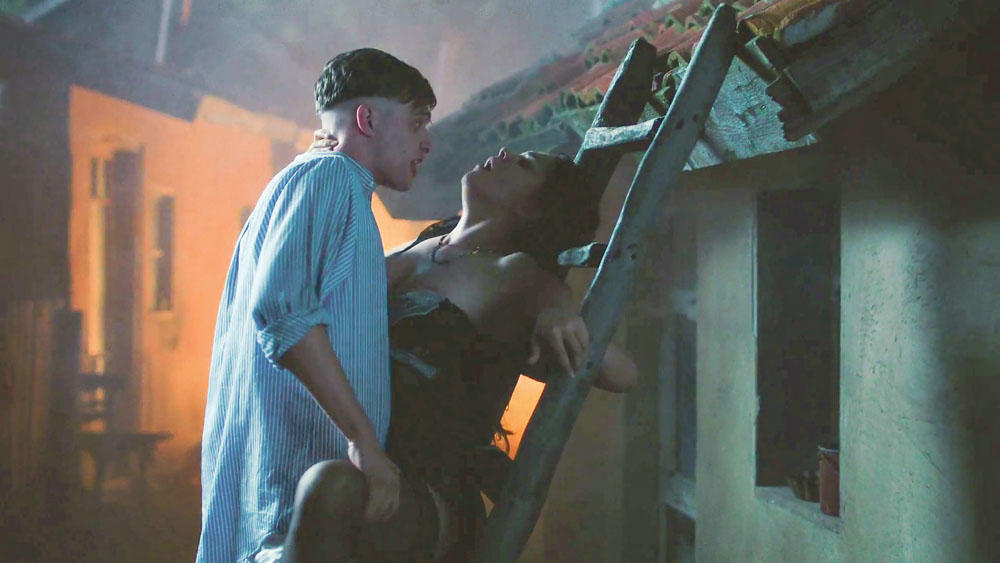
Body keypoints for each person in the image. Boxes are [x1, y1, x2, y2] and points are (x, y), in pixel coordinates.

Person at [285, 141, 638, 561]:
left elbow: (622, 373)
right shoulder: (415, 248)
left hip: (423, 493)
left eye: (524, 165)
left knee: (331, 487)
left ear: (532, 209)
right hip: (345, 452)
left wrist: (560, 317)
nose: (504, 152)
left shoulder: (516, 273)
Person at [197, 48, 434, 563]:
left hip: (285, 508)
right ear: (367, 119)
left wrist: (431, 252)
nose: (427, 142)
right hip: (295, 503)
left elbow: (347, 287)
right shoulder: (330, 178)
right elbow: (284, 313)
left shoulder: (317, 181)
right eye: (417, 123)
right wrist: (364, 442)